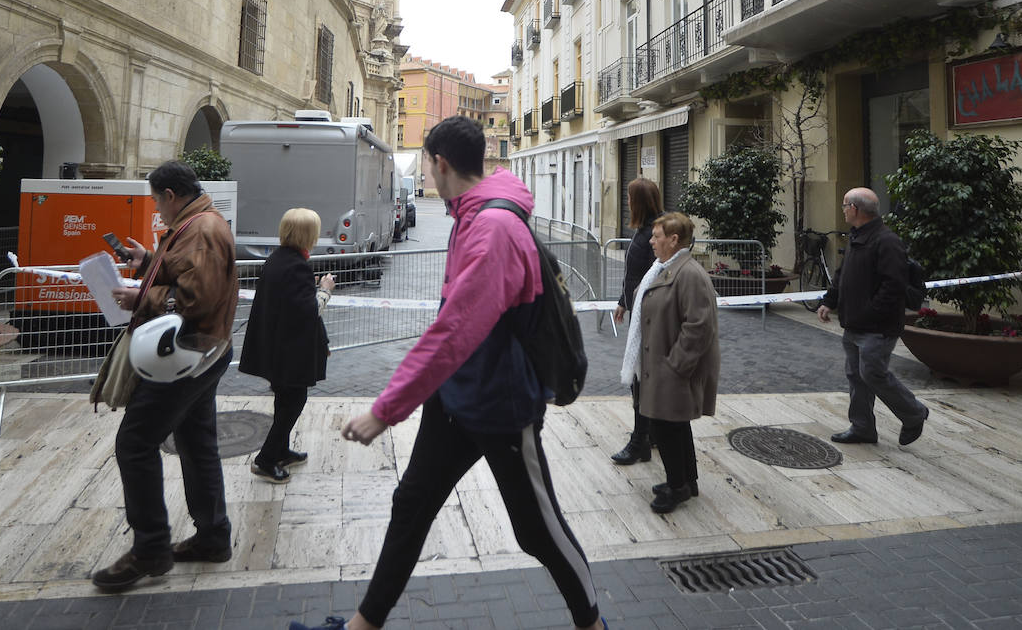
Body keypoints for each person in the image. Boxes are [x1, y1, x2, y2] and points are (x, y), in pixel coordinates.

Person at [288, 115, 606, 630]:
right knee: (411, 505)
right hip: (456, 398)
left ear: (439, 163)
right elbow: (452, 323)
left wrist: (385, 410)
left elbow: (455, 328)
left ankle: (593, 625)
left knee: (537, 530)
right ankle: (361, 626)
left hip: (502, 407)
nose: (429, 178)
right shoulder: (469, 216)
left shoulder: (495, 228)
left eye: (429, 169)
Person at [93, 160, 238, 591]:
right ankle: (213, 537)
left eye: (157, 200)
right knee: (197, 443)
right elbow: (189, 272)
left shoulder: (201, 230)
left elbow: (196, 298)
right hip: (204, 351)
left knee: (134, 443)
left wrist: (142, 295)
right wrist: (149, 261)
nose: (157, 208)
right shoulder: (198, 223)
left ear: (171, 195)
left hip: (186, 355)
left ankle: (151, 548)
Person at [817, 187, 929, 447]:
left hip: (877, 327)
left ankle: (914, 413)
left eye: (845, 205)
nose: (843, 210)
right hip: (855, 324)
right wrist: (829, 301)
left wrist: (869, 313)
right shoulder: (858, 236)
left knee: (873, 374)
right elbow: (842, 274)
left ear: (855, 209)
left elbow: (894, 286)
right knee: (856, 375)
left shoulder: (886, 241)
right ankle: (862, 427)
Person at [627, 211, 720, 514]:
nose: (651, 241)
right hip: (664, 364)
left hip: (674, 368)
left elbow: (698, 326)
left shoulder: (688, 273)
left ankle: (676, 486)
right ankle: (686, 480)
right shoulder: (668, 268)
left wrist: (675, 365)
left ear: (673, 239)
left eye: (656, 236)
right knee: (674, 425)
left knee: (665, 427)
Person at [238, 207, 336, 483]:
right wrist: (325, 290)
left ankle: (281, 450)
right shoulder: (297, 266)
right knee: (295, 400)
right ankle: (266, 459)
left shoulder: (278, 259)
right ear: (307, 234)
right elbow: (308, 311)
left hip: (275, 346)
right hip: (289, 351)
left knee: (284, 399)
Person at [609, 177, 664, 465]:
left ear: (639, 202)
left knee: (640, 379)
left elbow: (653, 277)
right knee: (641, 378)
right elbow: (634, 275)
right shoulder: (645, 231)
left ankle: (639, 442)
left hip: (649, 319)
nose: (627, 202)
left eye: (630, 198)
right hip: (638, 312)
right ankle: (649, 434)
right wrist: (622, 301)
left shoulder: (655, 234)